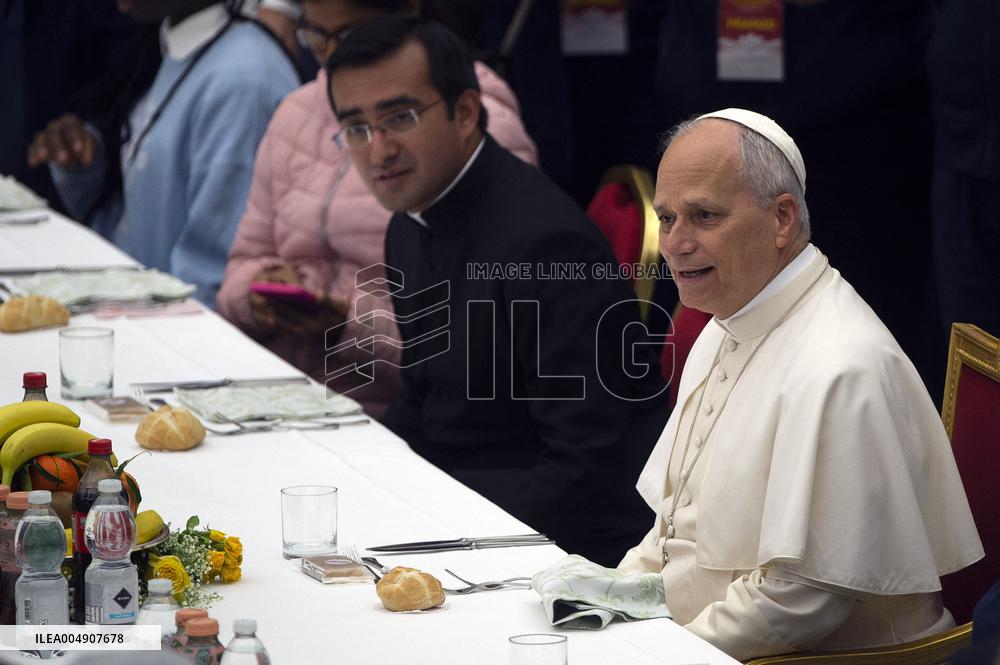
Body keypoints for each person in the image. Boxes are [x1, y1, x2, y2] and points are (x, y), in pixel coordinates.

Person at [618, 108, 984, 660]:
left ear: (782, 218)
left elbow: (801, 600)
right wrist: (607, 605)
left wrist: (654, 656)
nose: (675, 243)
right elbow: (671, 532)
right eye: (666, 218)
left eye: (704, 216)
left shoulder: (841, 367)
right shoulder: (728, 320)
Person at [326, 16, 669, 565]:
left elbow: (585, 467)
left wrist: (437, 536)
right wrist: (360, 478)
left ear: (465, 112)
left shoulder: (550, 245)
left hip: (559, 547)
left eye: (400, 117)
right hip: (462, 506)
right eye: (357, 128)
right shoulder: (410, 219)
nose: (378, 150)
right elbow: (423, 399)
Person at [216, 0, 537, 418]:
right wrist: (258, 293)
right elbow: (241, 263)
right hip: (282, 388)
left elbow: (478, 349)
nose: (330, 54)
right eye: (314, 35)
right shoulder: (297, 110)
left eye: (348, 35)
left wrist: (347, 322)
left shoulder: (469, 122)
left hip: (396, 413)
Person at [27, 0, 300, 305]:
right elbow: (140, 233)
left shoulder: (244, 79)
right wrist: (84, 170)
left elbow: (211, 283)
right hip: (141, 319)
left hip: (180, 337)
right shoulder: (172, 50)